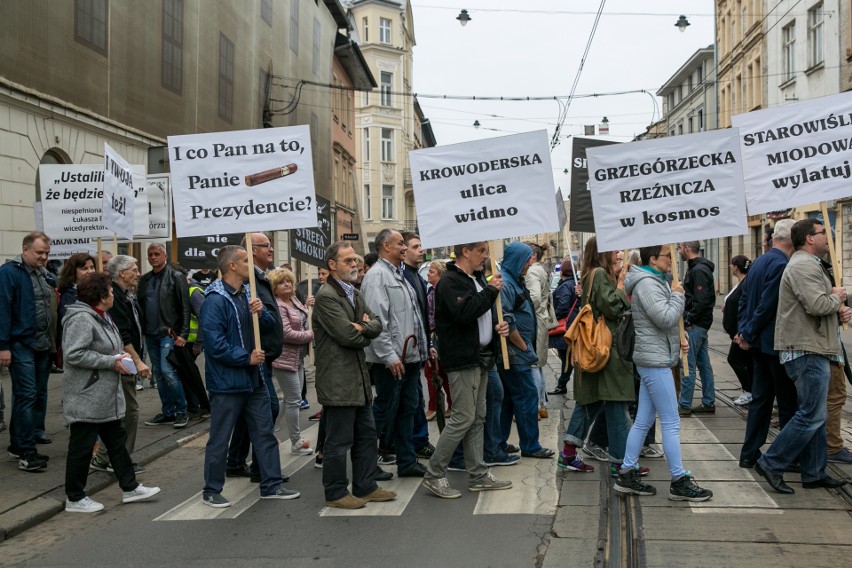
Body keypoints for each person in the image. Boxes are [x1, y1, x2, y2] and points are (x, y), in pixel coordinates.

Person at [754, 219, 850, 494]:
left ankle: (814, 471)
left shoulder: (808, 264)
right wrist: (836, 297)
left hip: (812, 346)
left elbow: (819, 306)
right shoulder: (803, 265)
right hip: (806, 350)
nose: (826, 236)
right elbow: (817, 303)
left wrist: (837, 310)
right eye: (822, 233)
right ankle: (772, 462)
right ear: (809, 238)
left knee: (815, 414)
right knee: (810, 415)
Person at [199, 245, 299, 507]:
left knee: (264, 433)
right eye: (245, 260)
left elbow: (268, 326)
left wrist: (262, 312)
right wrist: (246, 357)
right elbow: (214, 344)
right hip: (227, 383)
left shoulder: (246, 294)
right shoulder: (215, 300)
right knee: (220, 437)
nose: (250, 265)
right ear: (232, 266)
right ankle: (211, 489)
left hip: (254, 380)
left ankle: (271, 484)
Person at [615, 245, 712, 501]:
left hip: (656, 356)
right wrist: (679, 296)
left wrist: (678, 339)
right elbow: (665, 317)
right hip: (654, 361)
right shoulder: (648, 284)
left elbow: (663, 325)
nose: (671, 260)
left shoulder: (656, 281)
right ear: (653, 259)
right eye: (667, 256)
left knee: (644, 420)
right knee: (671, 420)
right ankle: (679, 479)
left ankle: (627, 471)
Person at [62, 272, 161, 512]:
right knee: (82, 447)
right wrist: (111, 360)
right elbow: (73, 354)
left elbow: (110, 347)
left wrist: (122, 359)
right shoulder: (82, 319)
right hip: (87, 395)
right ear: (101, 295)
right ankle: (74, 497)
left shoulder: (102, 316)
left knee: (116, 442)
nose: (114, 295)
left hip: (104, 395)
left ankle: (130, 487)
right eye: (110, 291)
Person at [421, 241, 512, 498]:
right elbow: (464, 313)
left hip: (481, 356)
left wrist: (497, 328)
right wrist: (491, 291)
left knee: (477, 418)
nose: (485, 256)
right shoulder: (451, 281)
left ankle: (478, 474)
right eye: (481, 251)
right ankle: (434, 474)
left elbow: (482, 316)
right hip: (462, 359)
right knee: (462, 418)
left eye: (485, 251)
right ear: (465, 252)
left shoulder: (477, 278)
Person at [313, 241, 396, 509]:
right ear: (332, 265)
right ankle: (336, 492)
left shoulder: (354, 292)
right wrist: (363, 329)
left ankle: (365, 485)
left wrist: (362, 326)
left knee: (366, 435)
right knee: (338, 440)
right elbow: (347, 335)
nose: (354, 265)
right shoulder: (327, 296)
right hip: (338, 380)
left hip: (358, 378)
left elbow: (377, 324)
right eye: (348, 261)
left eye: (355, 260)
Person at [558, 237, 633, 475]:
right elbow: (612, 307)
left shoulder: (590, 274)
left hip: (592, 349)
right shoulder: (600, 274)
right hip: (605, 349)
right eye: (615, 248)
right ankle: (621, 462)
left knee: (590, 401)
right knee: (615, 403)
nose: (619, 252)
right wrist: (621, 284)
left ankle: (569, 453)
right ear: (603, 253)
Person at [362, 229, 429, 477]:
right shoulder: (377, 276)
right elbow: (378, 321)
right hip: (391, 360)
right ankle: (367, 465)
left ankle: (407, 461)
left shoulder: (397, 274)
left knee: (407, 409)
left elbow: (411, 317)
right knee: (383, 410)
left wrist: (424, 346)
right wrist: (389, 356)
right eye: (401, 243)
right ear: (386, 246)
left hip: (408, 357)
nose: (404, 247)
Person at [735, 219, 798, 470]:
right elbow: (767, 306)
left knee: (761, 400)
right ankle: (787, 457)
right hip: (774, 344)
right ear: (791, 238)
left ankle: (749, 452)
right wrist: (748, 333)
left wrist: (744, 331)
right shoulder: (782, 264)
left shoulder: (761, 260)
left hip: (759, 346)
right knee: (787, 403)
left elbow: (744, 299)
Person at [225, 233, 284, 481]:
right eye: (265, 246)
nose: (270, 249)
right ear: (250, 251)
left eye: (271, 245)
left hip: (265, 355)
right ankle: (262, 468)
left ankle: (236, 461)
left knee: (248, 411)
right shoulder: (248, 281)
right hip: (254, 357)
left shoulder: (261, 277)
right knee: (267, 407)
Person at [0, 232, 56, 471]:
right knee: (26, 395)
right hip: (21, 343)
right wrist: (3, 345)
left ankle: (19, 443)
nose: (43, 257)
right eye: (39, 252)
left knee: (35, 394)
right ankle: (25, 451)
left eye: (46, 253)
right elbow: (2, 308)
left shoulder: (43, 274)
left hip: (42, 344)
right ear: (25, 250)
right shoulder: (9, 273)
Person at [91, 255, 151, 474]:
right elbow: (123, 335)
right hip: (121, 362)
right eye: (134, 269)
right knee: (128, 413)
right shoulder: (113, 297)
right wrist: (137, 361)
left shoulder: (128, 295)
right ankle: (118, 460)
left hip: (126, 362)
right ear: (122, 273)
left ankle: (106, 458)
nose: (137, 273)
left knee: (121, 413)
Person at [497, 241, 552, 459]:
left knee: (509, 399)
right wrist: (523, 345)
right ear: (518, 259)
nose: (530, 263)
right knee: (527, 396)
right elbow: (506, 319)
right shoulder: (507, 283)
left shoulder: (513, 280)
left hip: (517, 351)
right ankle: (530, 445)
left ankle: (500, 442)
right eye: (528, 259)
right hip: (515, 353)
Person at [138, 243, 191, 427]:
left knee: (168, 371)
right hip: (150, 334)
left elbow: (185, 307)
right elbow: (140, 306)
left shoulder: (176, 277)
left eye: (157, 254)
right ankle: (168, 412)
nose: (153, 257)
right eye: (150, 254)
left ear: (165, 255)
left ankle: (182, 411)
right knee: (158, 374)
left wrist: (183, 334)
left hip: (168, 333)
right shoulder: (144, 280)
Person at [269, 267, 314, 455]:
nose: (286, 284)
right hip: (284, 358)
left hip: (298, 357)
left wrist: (308, 305)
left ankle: (268, 432)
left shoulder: (293, 300)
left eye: (288, 281)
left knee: (289, 399)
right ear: (274, 287)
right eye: (281, 282)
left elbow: (302, 318)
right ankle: (296, 442)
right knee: (295, 400)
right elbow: (286, 333)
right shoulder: (278, 305)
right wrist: (310, 334)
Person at [400, 231, 435, 460]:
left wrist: (429, 344)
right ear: (403, 251)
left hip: (419, 347)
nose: (420, 250)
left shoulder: (417, 277)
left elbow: (423, 315)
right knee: (409, 401)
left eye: (420, 246)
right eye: (415, 246)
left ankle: (418, 440)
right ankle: (409, 443)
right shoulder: (402, 277)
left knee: (416, 398)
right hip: (405, 350)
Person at [677, 241, 717, 415]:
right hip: (701, 323)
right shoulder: (697, 268)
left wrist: (689, 319)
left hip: (695, 325)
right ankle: (708, 401)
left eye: (679, 247)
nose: (678, 251)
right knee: (703, 363)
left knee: (688, 364)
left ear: (686, 248)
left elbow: (701, 300)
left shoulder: (698, 270)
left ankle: (685, 404)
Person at [524, 243, 557, 418]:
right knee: (538, 365)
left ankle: (536, 406)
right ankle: (542, 405)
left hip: (534, 321)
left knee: (532, 365)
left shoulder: (532, 271)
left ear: (533, 256)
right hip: (541, 320)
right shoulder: (540, 270)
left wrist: (523, 310)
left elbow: (534, 297)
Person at [56, 253, 96, 369]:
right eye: (84, 268)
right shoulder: (69, 296)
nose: (90, 271)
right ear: (73, 272)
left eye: (92, 267)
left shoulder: (92, 292)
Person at [723, 256, 753, 406]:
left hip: (740, 333)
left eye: (731, 265)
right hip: (736, 332)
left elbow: (745, 307)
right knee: (747, 361)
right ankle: (751, 390)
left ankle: (749, 391)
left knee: (734, 359)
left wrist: (740, 333)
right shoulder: (740, 283)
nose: (730, 267)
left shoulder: (746, 283)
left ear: (736, 267)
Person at [424, 260, 452, 420]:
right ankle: (449, 404)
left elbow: (435, 316)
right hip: (437, 336)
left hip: (436, 336)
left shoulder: (437, 292)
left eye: (432, 271)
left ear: (440, 274)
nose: (428, 274)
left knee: (433, 372)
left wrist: (428, 329)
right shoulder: (432, 290)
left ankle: (434, 407)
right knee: (441, 371)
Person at [547, 263, 580, 395]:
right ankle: (562, 383)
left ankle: (562, 384)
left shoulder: (566, 285)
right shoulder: (574, 284)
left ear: (562, 272)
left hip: (566, 326)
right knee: (567, 356)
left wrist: (553, 318)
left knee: (566, 357)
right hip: (572, 324)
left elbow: (563, 306)